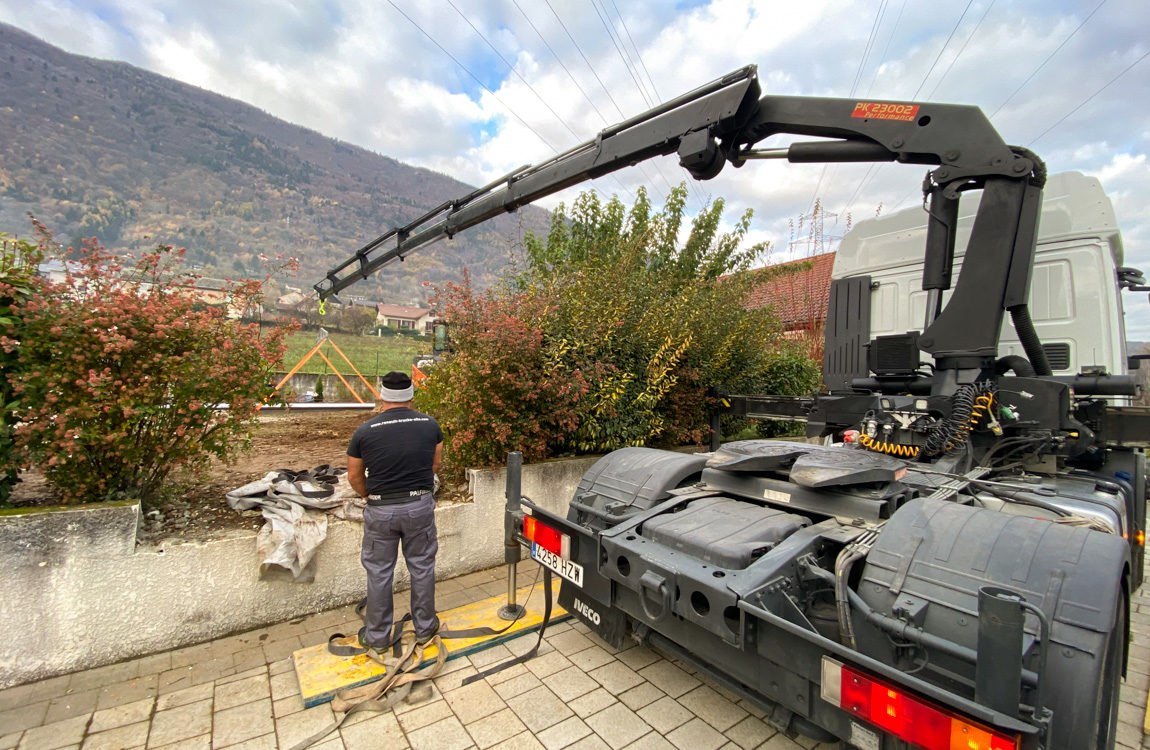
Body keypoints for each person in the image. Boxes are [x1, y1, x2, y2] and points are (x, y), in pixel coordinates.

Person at [347, 371, 444, 650]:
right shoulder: (430, 425)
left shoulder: (365, 431)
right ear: (411, 394)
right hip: (419, 506)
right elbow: (434, 466)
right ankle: (425, 628)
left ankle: (377, 638)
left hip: (380, 509)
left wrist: (369, 495)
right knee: (422, 567)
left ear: (382, 394)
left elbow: (354, 476)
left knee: (379, 572)